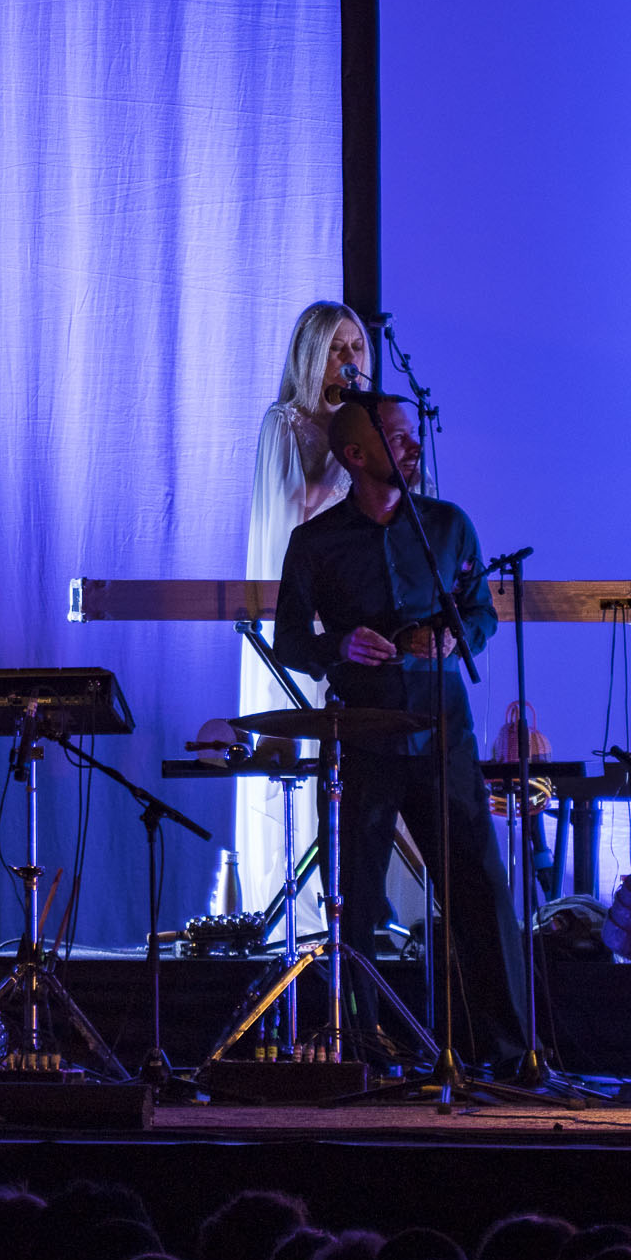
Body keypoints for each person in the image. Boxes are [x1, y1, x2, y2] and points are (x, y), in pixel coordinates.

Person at [273, 396, 526, 1070]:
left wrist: (453, 637)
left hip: (444, 735)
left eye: (414, 437)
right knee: (351, 901)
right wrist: (339, 648)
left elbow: (481, 615)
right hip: (362, 736)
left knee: (477, 890)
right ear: (357, 456)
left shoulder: (448, 527)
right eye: (400, 438)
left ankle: (505, 1051)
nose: (415, 448)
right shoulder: (315, 543)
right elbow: (290, 638)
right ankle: (360, 1046)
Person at [235, 302, 370, 923]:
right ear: (311, 356)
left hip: (355, 619)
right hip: (301, 615)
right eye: (338, 349)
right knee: (302, 757)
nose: (351, 361)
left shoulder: (369, 428)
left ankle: (358, 908)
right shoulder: (285, 424)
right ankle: (294, 914)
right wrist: (349, 456)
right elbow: (294, 516)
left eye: (358, 349)